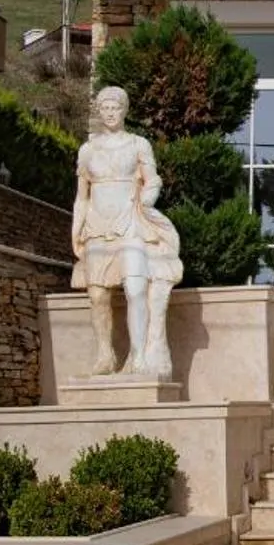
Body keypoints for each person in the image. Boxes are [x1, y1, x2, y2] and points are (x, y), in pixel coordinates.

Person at [71, 85, 183, 381]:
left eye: (115, 108)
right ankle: (105, 355)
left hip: (130, 221)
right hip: (97, 224)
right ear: (99, 111)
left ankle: (139, 355)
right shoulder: (88, 150)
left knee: (135, 289)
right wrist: (76, 229)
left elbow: (153, 179)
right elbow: (81, 195)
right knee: (97, 294)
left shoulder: (138, 144)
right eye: (105, 108)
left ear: (124, 111)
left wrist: (148, 197)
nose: (110, 113)